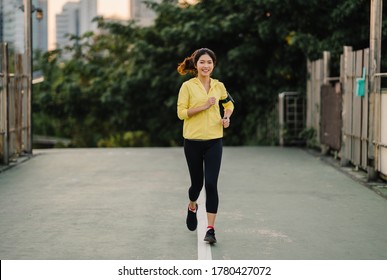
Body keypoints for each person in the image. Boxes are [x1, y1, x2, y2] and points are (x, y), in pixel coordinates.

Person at [176, 48, 234, 244]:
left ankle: (211, 229)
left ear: (213, 65)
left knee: (211, 184)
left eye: (209, 62)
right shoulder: (187, 87)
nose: (206, 65)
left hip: (214, 141)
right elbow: (181, 113)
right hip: (192, 142)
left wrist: (226, 117)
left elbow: (229, 104)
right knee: (196, 185)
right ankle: (192, 205)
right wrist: (204, 106)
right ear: (196, 64)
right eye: (202, 62)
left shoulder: (219, 86)